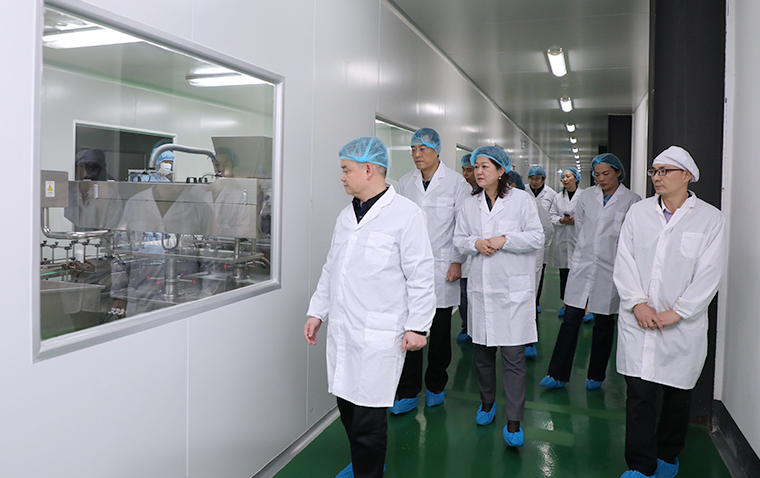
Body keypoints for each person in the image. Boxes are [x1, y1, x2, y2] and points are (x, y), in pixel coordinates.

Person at [304, 136, 436, 478]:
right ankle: (364, 461)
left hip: (379, 331)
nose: (342, 177)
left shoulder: (406, 214)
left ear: (368, 169)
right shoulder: (346, 216)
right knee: (346, 404)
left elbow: (421, 274)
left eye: (346, 170)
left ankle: (368, 470)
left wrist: (418, 326)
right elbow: (332, 268)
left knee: (368, 417)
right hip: (344, 328)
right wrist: (317, 311)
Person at [614, 146, 725, 478]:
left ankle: (667, 454)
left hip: (682, 324)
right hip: (638, 319)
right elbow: (624, 259)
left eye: (665, 171)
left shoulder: (710, 218)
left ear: (686, 176)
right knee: (639, 394)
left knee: (677, 395)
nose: (657, 178)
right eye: (654, 171)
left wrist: (678, 312)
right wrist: (637, 303)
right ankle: (639, 465)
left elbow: (710, 272)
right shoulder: (638, 212)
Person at [454, 146, 543, 448]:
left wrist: (505, 240)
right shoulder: (469, 204)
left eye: (485, 166)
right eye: (475, 166)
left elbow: (537, 237)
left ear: (501, 170)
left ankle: (514, 421)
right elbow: (458, 239)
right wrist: (475, 244)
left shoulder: (521, 200)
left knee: (514, 358)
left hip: (512, 291)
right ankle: (487, 403)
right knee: (482, 355)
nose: (478, 172)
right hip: (481, 289)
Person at [540, 154, 640, 389]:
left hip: (611, 269)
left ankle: (596, 375)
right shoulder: (587, 196)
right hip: (583, 265)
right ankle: (557, 374)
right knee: (570, 320)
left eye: (606, 173)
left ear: (618, 172)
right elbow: (582, 228)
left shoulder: (632, 201)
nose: (601, 178)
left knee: (604, 324)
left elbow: (631, 238)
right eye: (597, 174)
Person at [391, 128, 471, 414]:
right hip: (410, 268)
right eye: (413, 149)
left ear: (437, 150)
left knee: (439, 332)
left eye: (422, 149)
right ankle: (407, 391)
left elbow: (462, 226)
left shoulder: (456, 183)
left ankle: (436, 386)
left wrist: (457, 261)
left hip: (441, 266)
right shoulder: (405, 182)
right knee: (411, 330)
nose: (417, 154)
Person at [508, 170, 553, 359]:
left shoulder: (530, 203)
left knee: (527, 302)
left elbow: (546, 230)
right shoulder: (500, 203)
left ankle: (528, 342)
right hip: (507, 263)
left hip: (529, 261)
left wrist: (540, 252)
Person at [549, 167, 583, 317]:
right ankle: (565, 306)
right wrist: (561, 220)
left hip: (578, 239)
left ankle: (584, 308)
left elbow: (589, 216)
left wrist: (576, 221)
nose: (565, 179)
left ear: (576, 178)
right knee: (564, 275)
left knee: (580, 275)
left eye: (568, 176)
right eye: (563, 177)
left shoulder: (584, 196)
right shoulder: (557, 197)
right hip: (563, 240)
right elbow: (552, 215)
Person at [527, 165, 556, 313]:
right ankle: (527, 300)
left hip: (544, 237)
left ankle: (536, 301)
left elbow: (552, 216)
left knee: (540, 270)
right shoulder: (523, 191)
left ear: (544, 179)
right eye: (531, 179)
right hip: (526, 237)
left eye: (537, 179)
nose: (534, 182)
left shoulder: (551, 194)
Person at [457, 153, 477, 344]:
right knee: (464, 295)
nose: (466, 174)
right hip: (464, 253)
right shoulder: (460, 190)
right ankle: (466, 327)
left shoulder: (488, 193)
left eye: (469, 170)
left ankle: (477, 328)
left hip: (484, 254)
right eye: (463, 170)